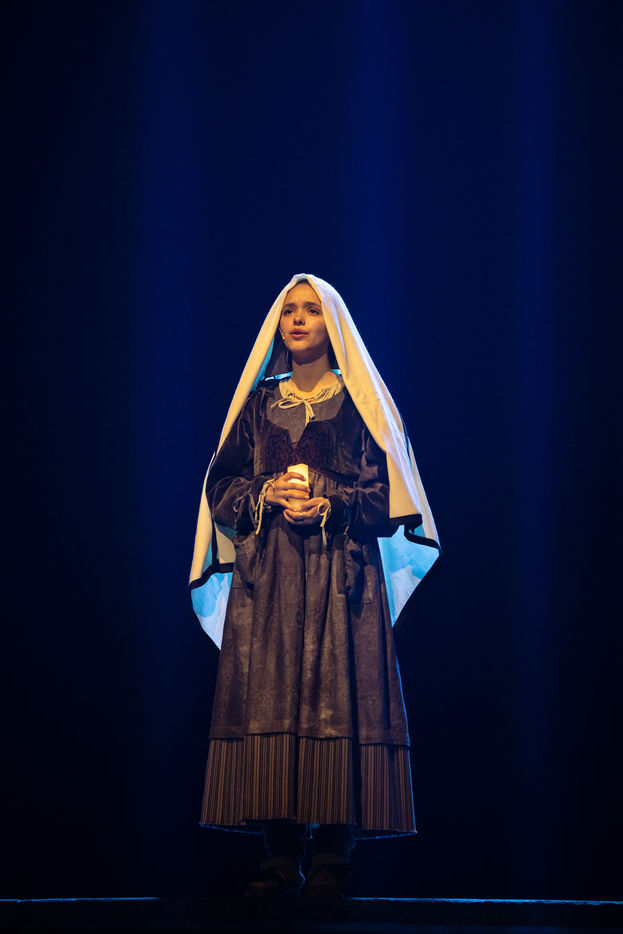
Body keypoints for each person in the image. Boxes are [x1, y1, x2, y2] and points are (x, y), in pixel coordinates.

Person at [189, 274, 440, 898]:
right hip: (269, 577)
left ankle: (332, 855)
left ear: (334, 324)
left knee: (339, 696)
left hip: (340, 575)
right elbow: (221, 486)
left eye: (311, 310)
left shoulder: (360, 405)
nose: (298, 319)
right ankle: (280, 855)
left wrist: (330, 501)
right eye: (289, 311)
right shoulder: (258, 405)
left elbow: (390, 495)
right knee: (270, 698)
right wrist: (266, 492)